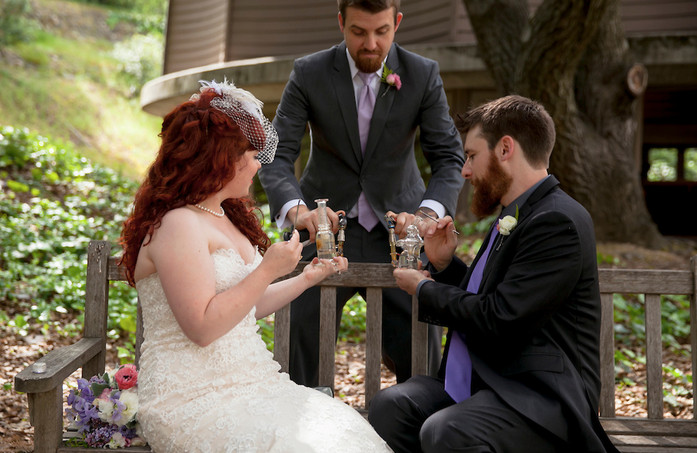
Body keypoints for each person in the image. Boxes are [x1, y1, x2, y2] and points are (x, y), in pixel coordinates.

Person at [119, 80, 392, 452]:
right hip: (192, 398)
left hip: (253, 384)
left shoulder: (223, 217)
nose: (257, 162)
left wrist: (307, 278)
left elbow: (247, 307)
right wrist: (267, 270)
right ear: (215, 158)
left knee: (344, 434)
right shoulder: (178, 223)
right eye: (247, 152)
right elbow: (201, 327)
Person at [368, 95, 620, 452]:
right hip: (489, 380)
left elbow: (501, 318)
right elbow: (489, 300)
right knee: (391, 407)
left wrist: (424, 289)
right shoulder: (515, 214)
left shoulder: (556, 221)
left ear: (505, 149)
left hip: (538, 398)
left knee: (445, 430)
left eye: (471, 156)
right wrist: (444, 266)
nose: (464, 171)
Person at [257, 0, 465, 387]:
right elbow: (276, 153)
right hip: (322, 232)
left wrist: (426, 216)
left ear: (397, 23)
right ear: (340, 22)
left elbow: (450, 158)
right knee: (301, 343)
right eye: (358, 31)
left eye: (381, 31)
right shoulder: (309, 72)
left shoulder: (422, 74)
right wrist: (297, 211)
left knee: (419, 350)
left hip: (402, 236)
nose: (371, 43)